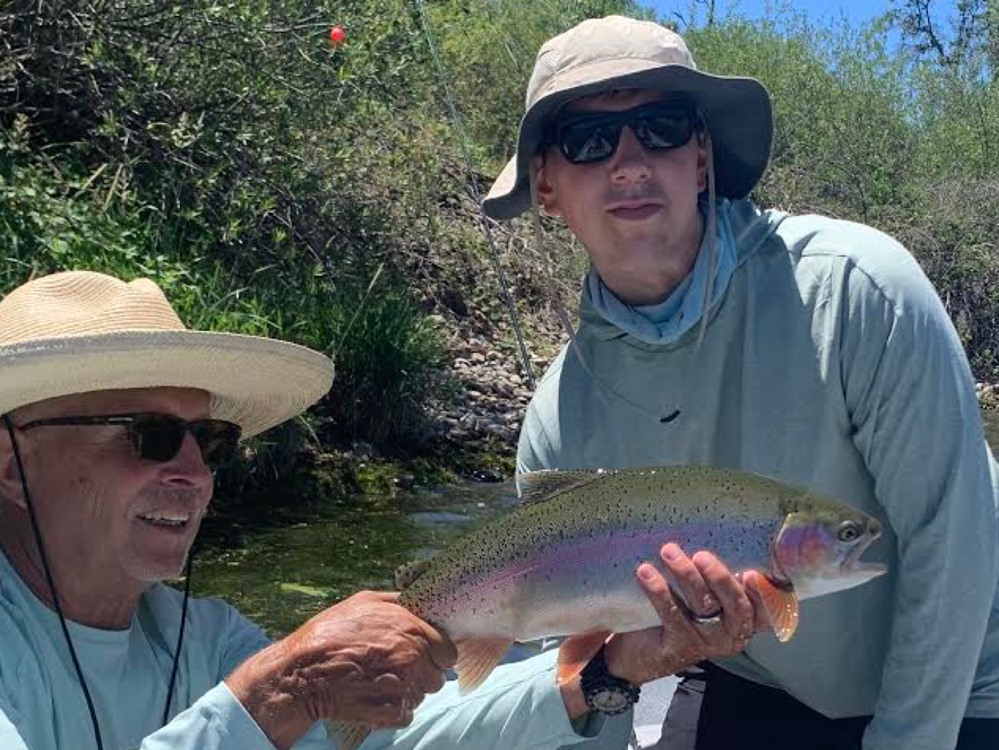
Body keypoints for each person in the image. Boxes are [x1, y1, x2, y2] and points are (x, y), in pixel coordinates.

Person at [481, 14, 999, 750]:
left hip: (967, 683)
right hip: (759, 677)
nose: (629, 162)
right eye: (588, 142)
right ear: (547, 187)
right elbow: (575, 675)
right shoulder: (559, 421)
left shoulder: (855, 289)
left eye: (659, 129)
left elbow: (954, 549)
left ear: (698, 158)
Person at [0, 269, 763, 750]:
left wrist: (606, 670)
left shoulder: (204, 635)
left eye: (210, 438)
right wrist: (275, 695)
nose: (195, 471)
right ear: (11, 462)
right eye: (153, 436)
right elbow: (269, 714)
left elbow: (393, 738)